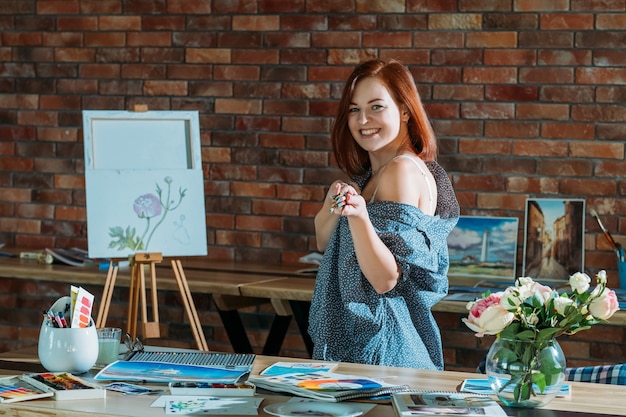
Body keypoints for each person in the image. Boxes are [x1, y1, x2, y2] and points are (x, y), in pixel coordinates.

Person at [308, 59, 459, 370]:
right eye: (353, 109)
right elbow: (327, 244)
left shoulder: (400, 170)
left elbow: (384, 278)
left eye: (376, 107)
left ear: (404, 110)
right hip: (375, 344)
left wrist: (360, 217)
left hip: (383, 350)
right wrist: (332, 208)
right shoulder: (373, 176)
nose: (363, 119)